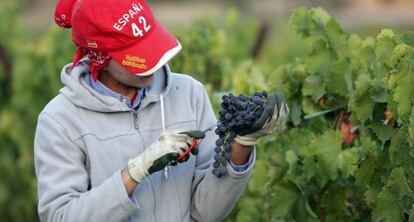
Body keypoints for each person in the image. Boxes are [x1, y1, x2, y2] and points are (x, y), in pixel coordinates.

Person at [34, 0, 289, 221]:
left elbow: (207, 212)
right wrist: (134, 173)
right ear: (99, 56)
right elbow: (60, 216)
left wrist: (241, 147)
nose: (154, 64)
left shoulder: (189, 93)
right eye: (136, 56)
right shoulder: (60, 121)